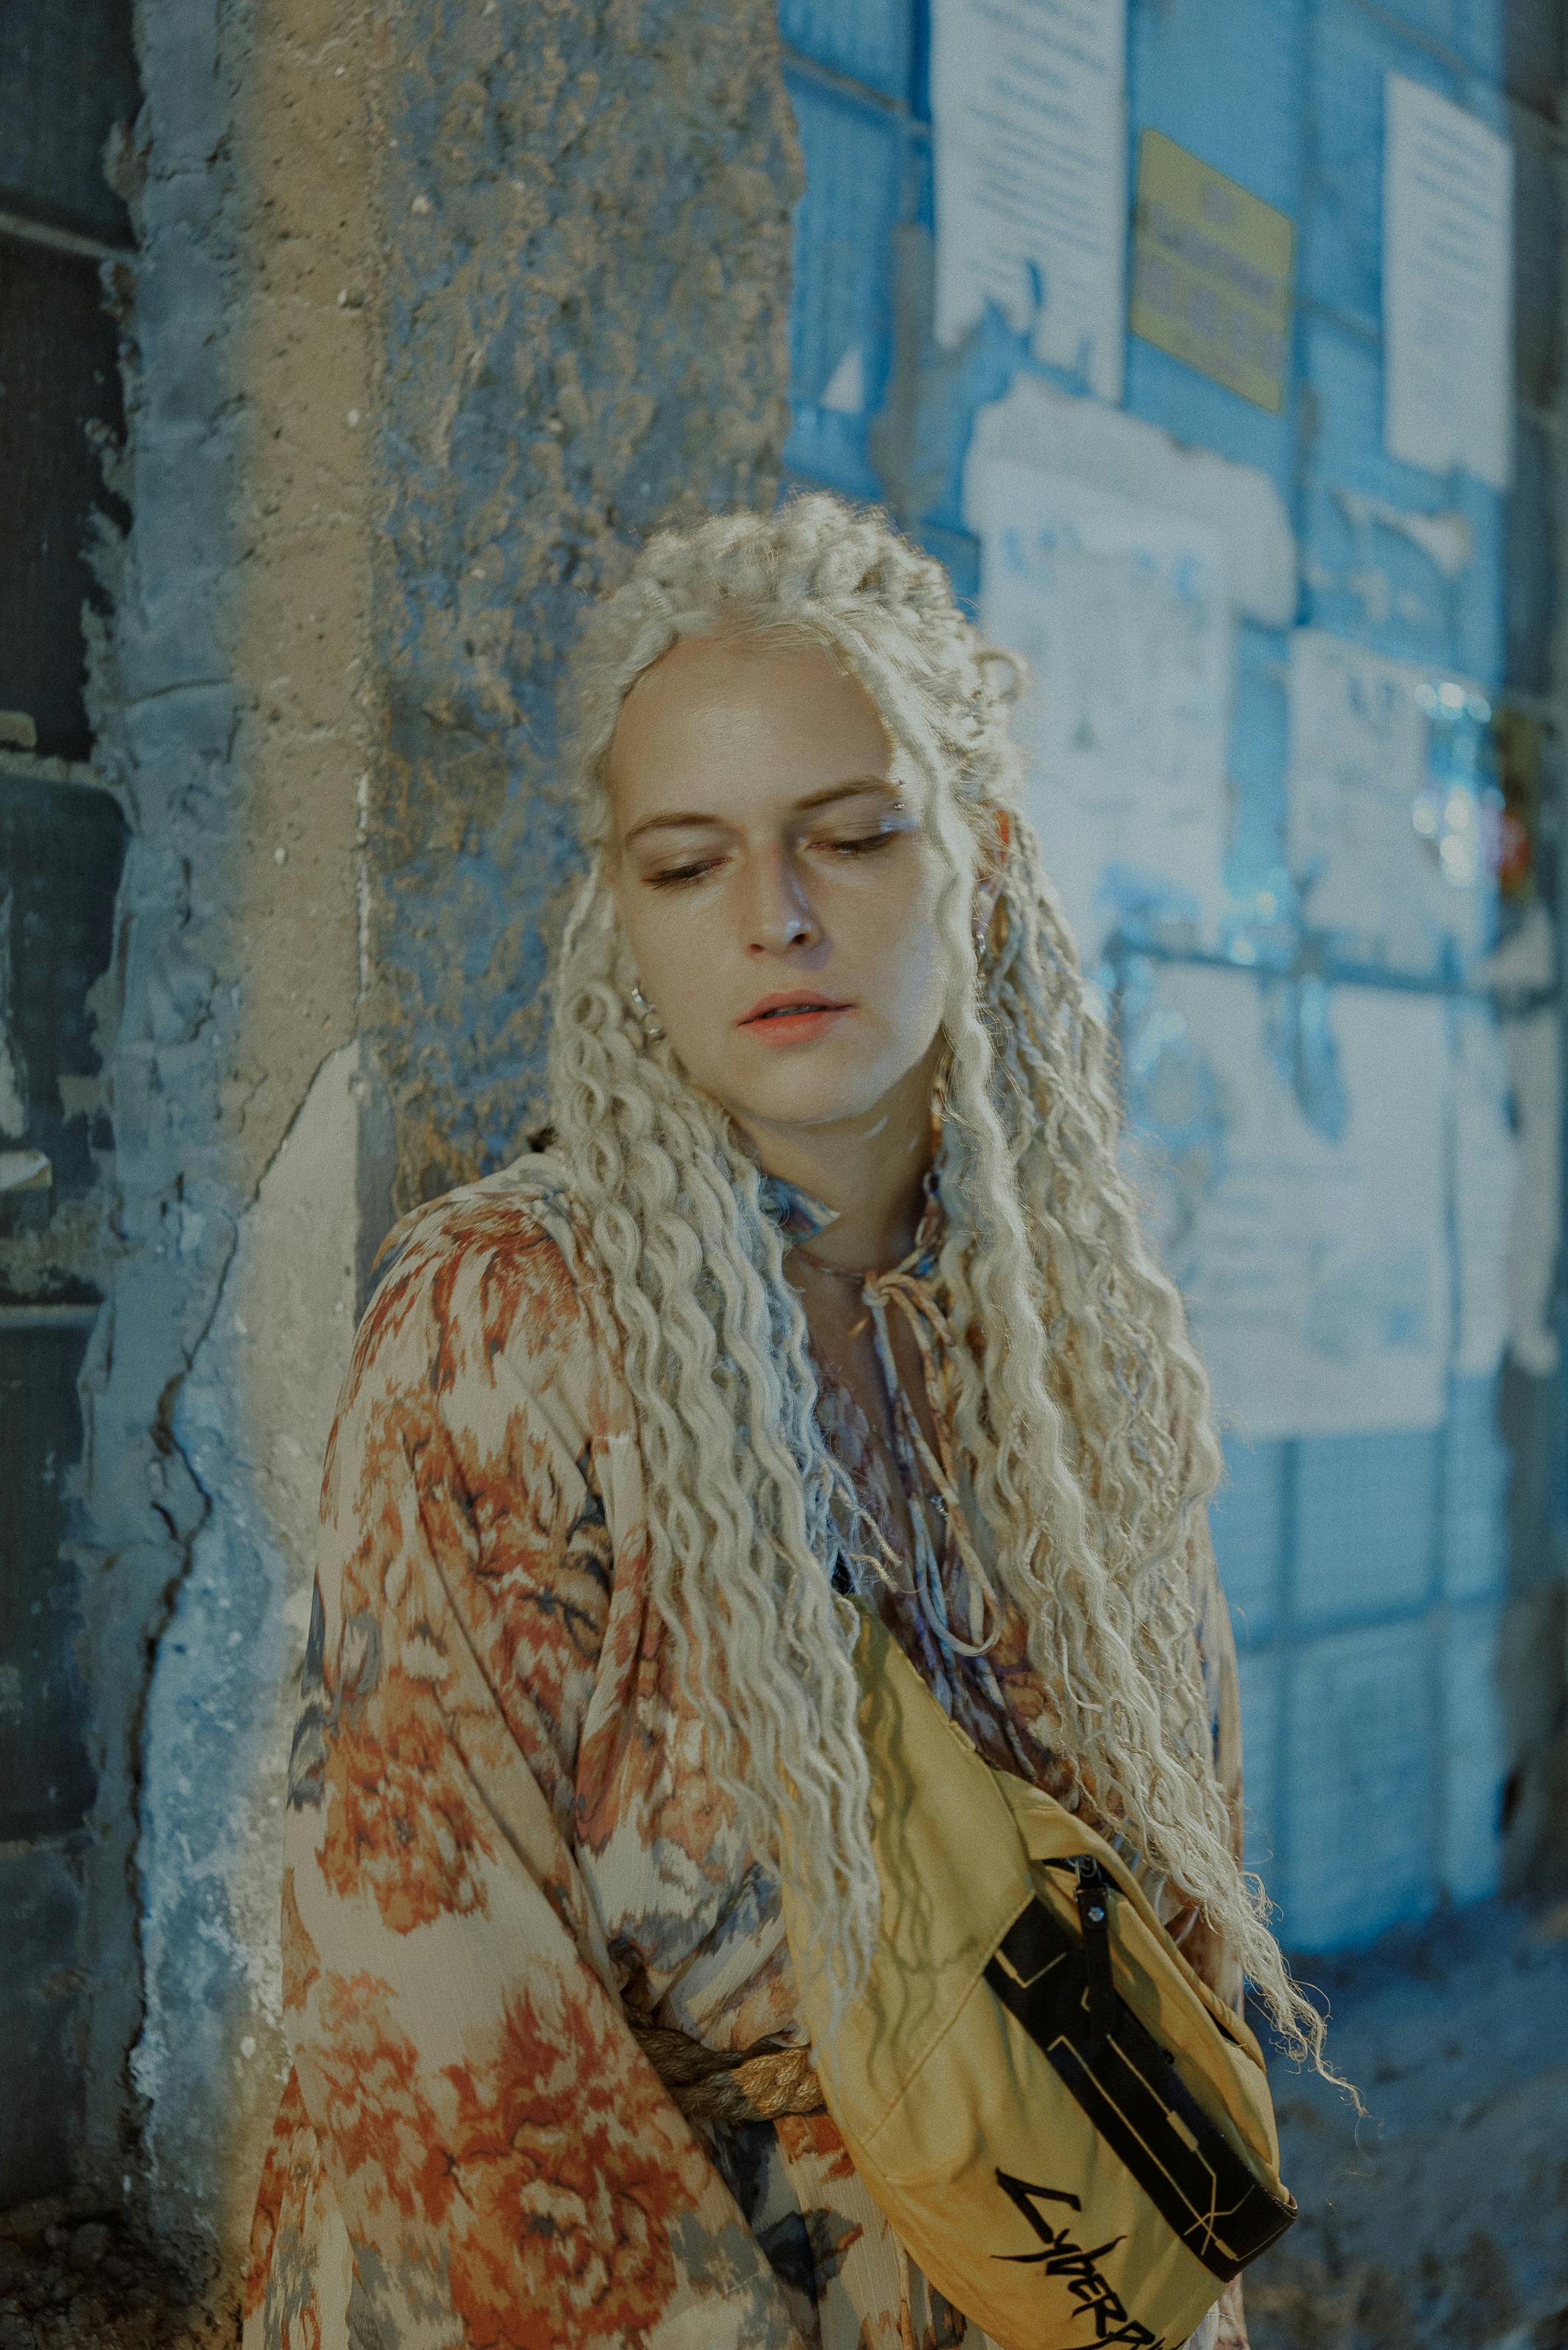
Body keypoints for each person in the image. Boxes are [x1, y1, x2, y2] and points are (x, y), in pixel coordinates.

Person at [243, 496, 1322, 2350]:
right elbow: (442, 2023)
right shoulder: (506, 1328)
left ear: (980, 855)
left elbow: (1168, 1952)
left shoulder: (1079, 1357)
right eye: (688, 862)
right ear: (622, 918)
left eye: (853, 833)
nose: (777, 915)